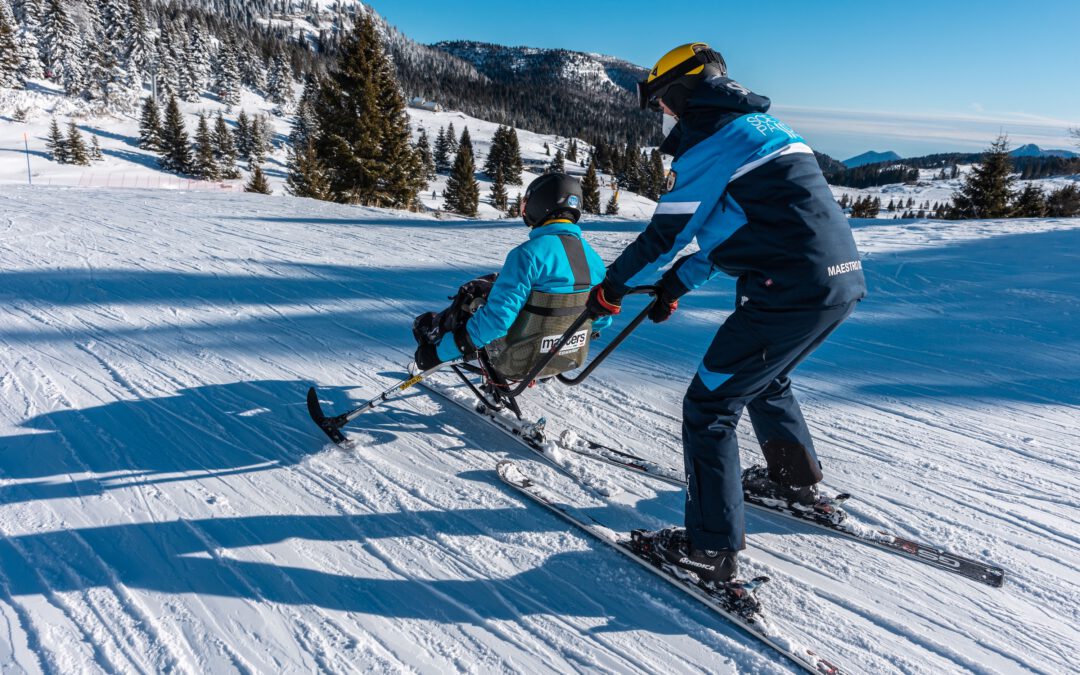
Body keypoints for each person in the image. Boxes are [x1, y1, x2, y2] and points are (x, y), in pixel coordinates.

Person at [587, 43, 867, 585]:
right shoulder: (767, 130)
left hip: (787, 290)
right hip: (838, 283)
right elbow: (734, 229)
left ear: (680, 92)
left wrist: (612, 287)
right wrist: (674, 285)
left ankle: (708, 551)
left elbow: (667, 231)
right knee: (765, 379)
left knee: (709, 405)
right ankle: (795, 483)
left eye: (659, 101)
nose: (662, 113)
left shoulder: (711, 139)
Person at [414, 172, 610, 372]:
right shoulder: (593, 258)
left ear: (540, 203)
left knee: (474, 298)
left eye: (527, 203)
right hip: (568, 355)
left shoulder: (527, 255)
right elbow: (603, 317)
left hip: (516, 361)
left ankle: (434, 337)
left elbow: (497, 321)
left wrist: (439, 354)